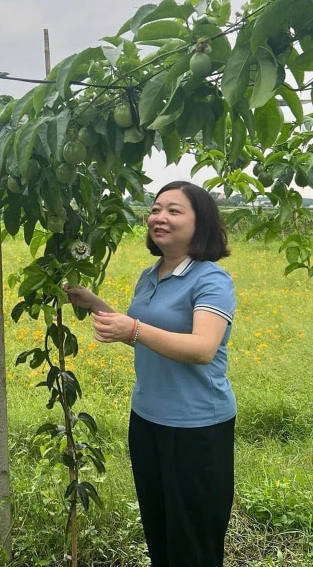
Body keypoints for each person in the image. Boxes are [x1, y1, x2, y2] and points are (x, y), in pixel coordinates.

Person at [65, 181, 236, 567]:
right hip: (146, 421)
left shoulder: (211, 280)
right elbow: (143, 336)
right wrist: (97, 305)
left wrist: (134, 329)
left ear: (201, 222)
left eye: (174, 211)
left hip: (196, 428)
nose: (159, 217)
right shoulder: (151, 273)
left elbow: (202, 348)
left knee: (194, 541)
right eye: (156, 209)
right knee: (159, 532)